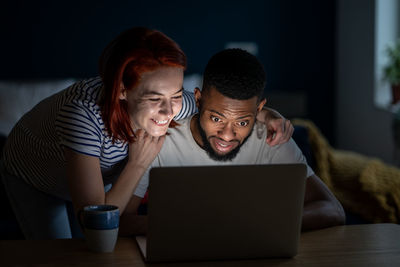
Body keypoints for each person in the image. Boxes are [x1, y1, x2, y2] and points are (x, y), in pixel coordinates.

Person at [0, 28, 293, 239]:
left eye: (176, 95)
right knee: (63, 254)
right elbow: (94, 221)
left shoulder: (174, 105)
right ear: (122, 91)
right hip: (34, 177)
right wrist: (138, 163)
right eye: (155, 99)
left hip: (91, 183)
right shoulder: (83, 117)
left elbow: (219, 109)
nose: (168, 112)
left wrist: (268, 115)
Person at [120, 48, 346, 235]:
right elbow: (122, 221)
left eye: (242, 122)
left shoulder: (269, 137)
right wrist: (188, 227)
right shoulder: (161, 140)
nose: (227, 135)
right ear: (197, 100)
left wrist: (260, 225)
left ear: (259, 110)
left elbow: (333, 210)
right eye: (216, 118)